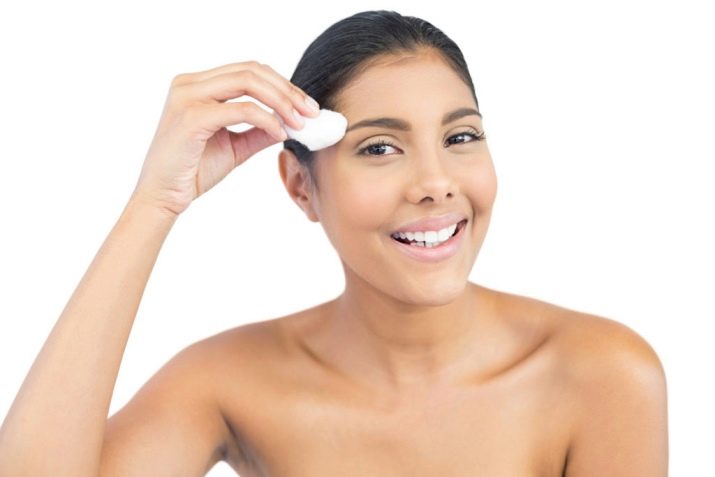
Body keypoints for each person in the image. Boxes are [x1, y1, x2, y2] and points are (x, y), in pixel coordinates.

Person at [0, 9, 668, 476]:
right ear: (301, 187)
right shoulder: (229, 382)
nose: (436, 183)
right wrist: (154, 202)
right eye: (380, 147)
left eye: (460, 136)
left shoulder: (603, 375)